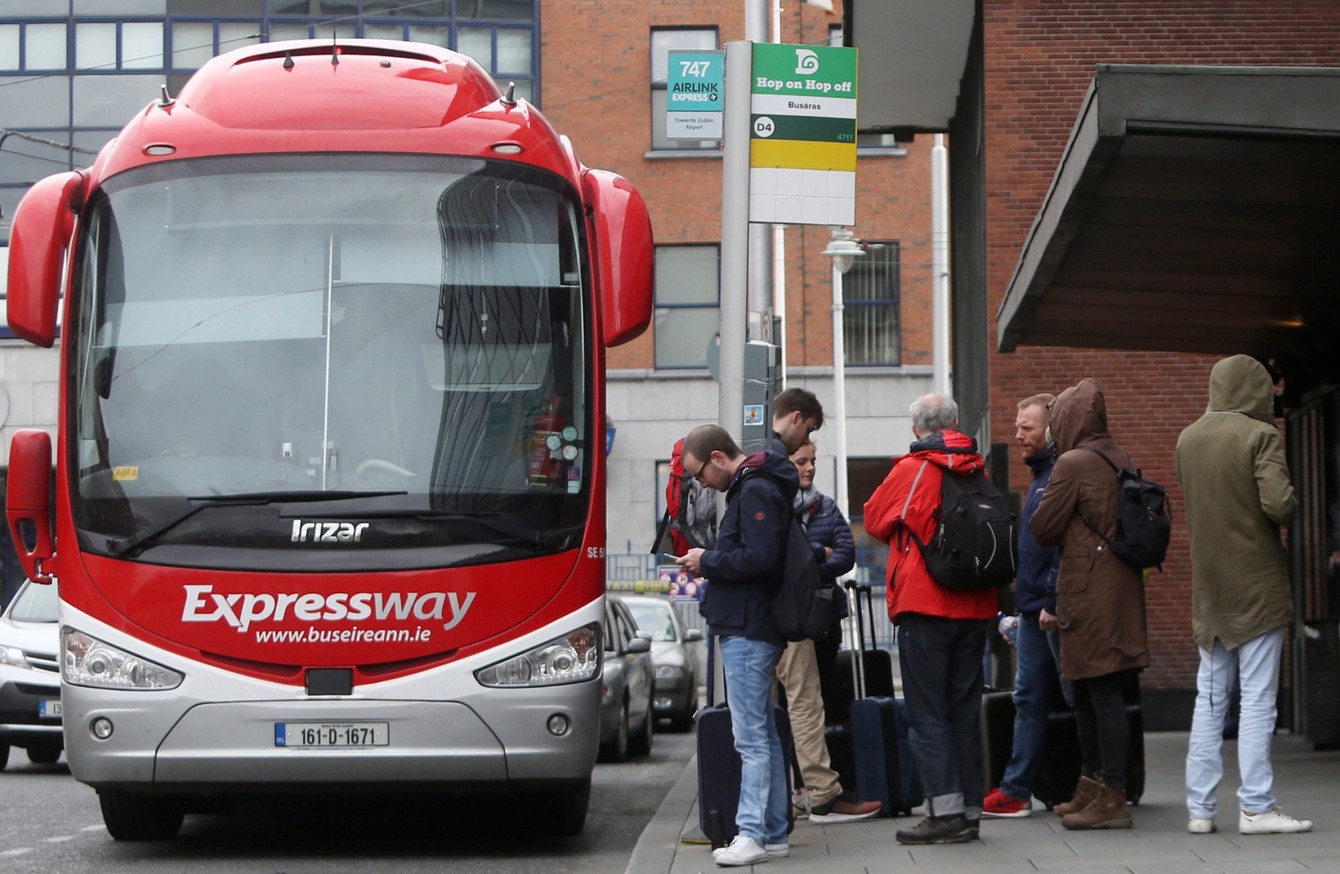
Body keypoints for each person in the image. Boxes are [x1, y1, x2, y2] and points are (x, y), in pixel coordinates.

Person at [1177, 355, 1313, 836]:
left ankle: (1200, 809)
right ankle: (1256, 806)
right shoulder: (1261, 436)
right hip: (1256, 584)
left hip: (1209, 588)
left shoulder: (1188, 438)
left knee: (1209, 699)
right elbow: (1280, 505)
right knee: (1258, 700)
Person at [864, 393, 998, 845]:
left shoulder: (913, 468)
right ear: (957, 423)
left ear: (916, 430)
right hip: (975, 607)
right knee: (963, 710)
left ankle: (943, 812)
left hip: (926, 605)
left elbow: (874, 518)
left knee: (927, 714)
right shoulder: (978, 468)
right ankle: (970, 810)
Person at [675, 424, 797, 867]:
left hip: (748, 625)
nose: (700, 483)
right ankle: (775, 831)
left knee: (750, 738)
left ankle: (753, 832)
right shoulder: (757, 487)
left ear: (719, 458)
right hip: (751, 623)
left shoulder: (755, 490)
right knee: (762, 731)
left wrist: (705, 560)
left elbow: (760, 558)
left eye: (700, 473)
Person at [1029, 378, 1148, 830]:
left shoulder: (1074, 463)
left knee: (1097, 692)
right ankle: (1097, 784)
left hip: (1089, 591)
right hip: (1116, 587)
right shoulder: (1118, 455)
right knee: (1093, 690)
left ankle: (1111, 795)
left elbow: (1043, 527)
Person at [775, 439, 881, 823]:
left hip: (823, 618)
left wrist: (810, 565)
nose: (809, 468)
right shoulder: (776, 508)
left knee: (820, 703)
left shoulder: (826, 506)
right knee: (794, 705)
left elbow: (845, 555)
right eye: (801, 461)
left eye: (813, 461)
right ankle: (803, 788)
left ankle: (816, 786)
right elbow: (795, 560)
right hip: (790, 620)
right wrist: (815, 557)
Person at [982, 393, 1066, 818]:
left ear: (1050, 431)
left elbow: (1062, 547)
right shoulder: (1041, 477)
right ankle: (1016, 790)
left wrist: (1050, 599)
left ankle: (1102, 784)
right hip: (1035, 610)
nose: (1018, 436)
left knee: (1072, 696)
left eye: (1026, 428)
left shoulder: (1056, 478)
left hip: (1049, 611)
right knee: (1029, 698)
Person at [771, 387, 824, 456]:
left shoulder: (758, 446)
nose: (806, 441)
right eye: (807, 431)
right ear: (796, 417)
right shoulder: (776, 455)